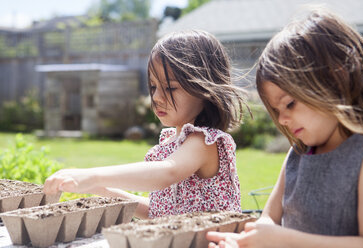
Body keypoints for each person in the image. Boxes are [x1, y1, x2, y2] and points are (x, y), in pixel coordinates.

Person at [207, 7, 363, 248]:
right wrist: (251, 240)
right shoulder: (298, 153)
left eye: (290, 104)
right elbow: (269, 219)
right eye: (276, 111)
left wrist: (283, 240)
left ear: (336, 78)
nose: (282, 120)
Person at [43, 30, 248, 219]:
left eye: (169, 88)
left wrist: (93, 175)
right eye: (153, 86)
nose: (157, 97)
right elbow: (158, 211)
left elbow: (167, 172)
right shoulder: (171, 143)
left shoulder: (204, 141)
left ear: (205, 88)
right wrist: (99, 187)